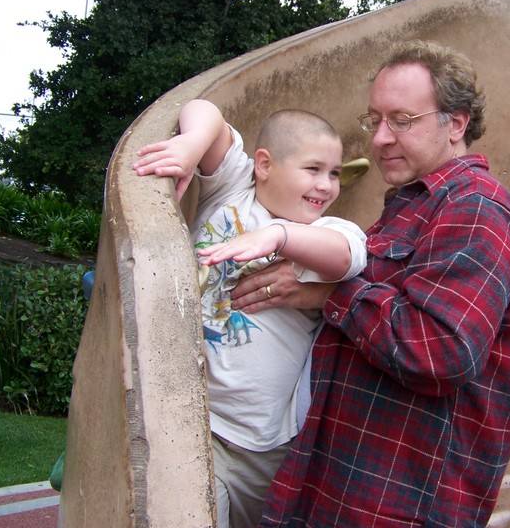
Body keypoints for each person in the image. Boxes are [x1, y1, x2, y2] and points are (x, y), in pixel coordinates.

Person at [229, 40, 510, 526]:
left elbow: (439, 351)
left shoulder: (475, 207)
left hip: (398, 503)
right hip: (346, 488)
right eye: (374, 120)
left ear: (456, 124)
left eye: (402, 120)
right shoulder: (415, 205)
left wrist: (329, 293)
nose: (380, 138)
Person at [133, 100, 368, 528]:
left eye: (334, 173)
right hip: (196, 421)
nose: (326, 185)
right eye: (313, 169)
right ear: (264, 165)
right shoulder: (232, 190)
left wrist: (278, 236)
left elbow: (346, 256)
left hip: (265, 444)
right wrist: (190, 146)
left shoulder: (323, 231)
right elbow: (202, 109)